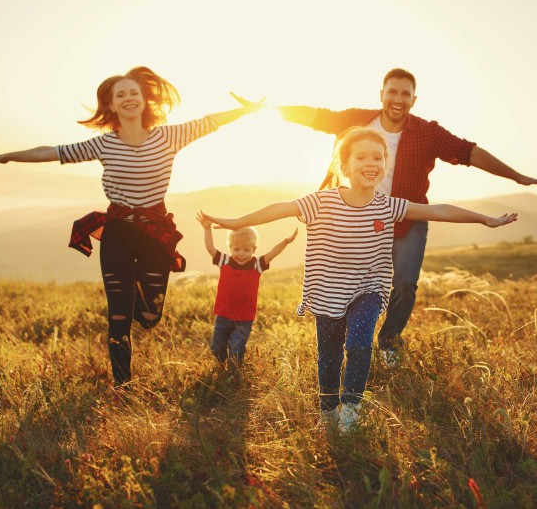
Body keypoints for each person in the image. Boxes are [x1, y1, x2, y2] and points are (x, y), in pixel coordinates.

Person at [201, 127, 517, 431]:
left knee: (359, 342)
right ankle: (328, 411)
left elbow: (439, 211)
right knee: (329, 354)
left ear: (384, 165)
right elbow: (280, 208)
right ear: (345, 166)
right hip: (327, 293)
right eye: (362, 157)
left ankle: (351, 408)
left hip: (369, 290)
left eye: (378, 157)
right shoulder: (321, 202)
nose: (370, 163)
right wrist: (235, 222)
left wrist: (484, 218)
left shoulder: (389, 206)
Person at [0, 66, 264, 388]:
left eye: (134, 93)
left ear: (144, 100)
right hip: (117, 231)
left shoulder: (169, 136)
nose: (128, 98)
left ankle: (131, 298)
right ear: (112, 106)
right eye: (120, 95)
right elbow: (52, 152)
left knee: (149, 316)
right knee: (117, 316)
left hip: (155, 233)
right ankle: (122, 384)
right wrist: (7, 157)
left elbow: (211, 122)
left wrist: (248, 109)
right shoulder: (103, 145)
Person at [233, 68, 536, 363]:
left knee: (404, 283)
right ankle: (346, 337)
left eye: (406, 94)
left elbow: (469, 152)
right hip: (353, 217)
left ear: (413, 100)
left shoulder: (427, 132)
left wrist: (517, 177)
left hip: (406, 215)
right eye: (393, 91)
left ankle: (389, 341)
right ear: (382, 94)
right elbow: (314, 115)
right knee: (348, 280)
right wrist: (264, 109)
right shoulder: (357, 121)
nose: (398, 98)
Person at [196, 211, 297, 373]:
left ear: (254, 249)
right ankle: (221, 369)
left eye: (246, 250)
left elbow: (272, 253)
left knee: (236, 349)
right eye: (236, 249)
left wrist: (285, 242)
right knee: (216, 348)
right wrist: (207, 229)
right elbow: (210, 248)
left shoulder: (257, 265)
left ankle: (234, 376)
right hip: (223, 316)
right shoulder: (225, 261)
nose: (241, 253)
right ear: (230, 248)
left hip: (244, 319)